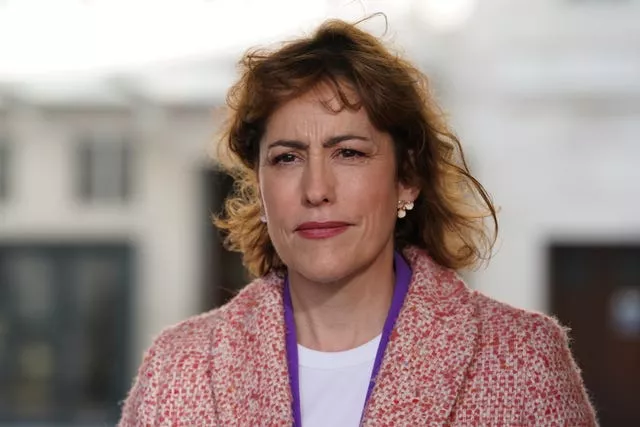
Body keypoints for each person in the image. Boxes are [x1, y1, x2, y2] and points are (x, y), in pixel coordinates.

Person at [118, 18, 597, 426]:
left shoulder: (521, 360)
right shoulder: (179, 367)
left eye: (348, 153)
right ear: (260, 189)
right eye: (287, 158)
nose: (316, 189)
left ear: (406, 179)